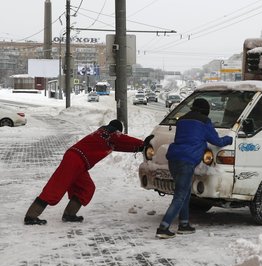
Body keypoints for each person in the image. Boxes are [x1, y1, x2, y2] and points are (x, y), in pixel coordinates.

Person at [24, 120, 149, 225]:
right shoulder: (110, 133)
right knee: (56, 187)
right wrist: (144, 143)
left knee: (86, 188)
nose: (119, 134)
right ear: (116, 130)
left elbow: (122, 146)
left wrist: (140, 148)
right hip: (75, 159)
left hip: (79, 161)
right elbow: (124, 140)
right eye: (119, 132)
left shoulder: (103, 136)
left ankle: (69, 214)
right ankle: (31, 216)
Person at [156, 98, 232, 239]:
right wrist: (229, 139)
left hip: (174, 159)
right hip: (187, 161)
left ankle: (184, 224)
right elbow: (217, 141)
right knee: (180, 195)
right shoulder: (204, 122)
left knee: (184, 192)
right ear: (206, 110)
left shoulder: (182, 120)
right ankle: (163, 227)